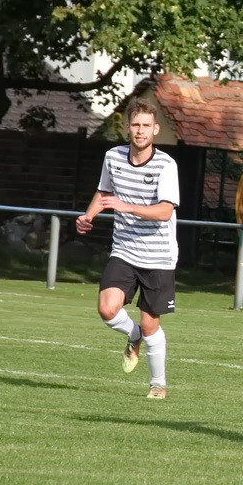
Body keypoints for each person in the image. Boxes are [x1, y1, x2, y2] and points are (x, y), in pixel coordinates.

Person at [75, 101, 180, 400]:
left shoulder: (166, 165)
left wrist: (126, 206)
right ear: (128, 128)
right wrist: (88, 216)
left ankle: (157, 384)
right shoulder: (113, 157)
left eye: (146, 125)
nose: (140, 131)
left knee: (150, 324)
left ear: (155, 130)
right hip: (124, 249)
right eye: (136, 125)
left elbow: (164, 212)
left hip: (158, 255)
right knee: (107, 309)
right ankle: (133, 335)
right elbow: (104, 192)